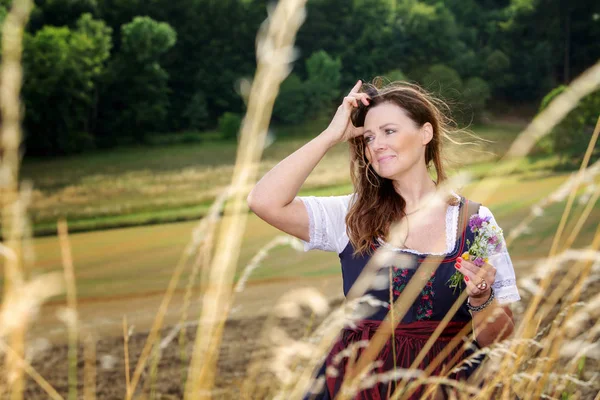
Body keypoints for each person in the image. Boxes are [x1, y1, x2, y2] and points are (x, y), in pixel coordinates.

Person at [247, 79, 521, 399]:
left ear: (425, 133)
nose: (376, 144)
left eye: (389, 131)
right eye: (369, 137)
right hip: (361, 386)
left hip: (450, 388)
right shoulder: (351, 216)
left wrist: (480, 299)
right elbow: (263, 201)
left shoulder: (476, 222)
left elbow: (499, 339)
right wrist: (331, 135)